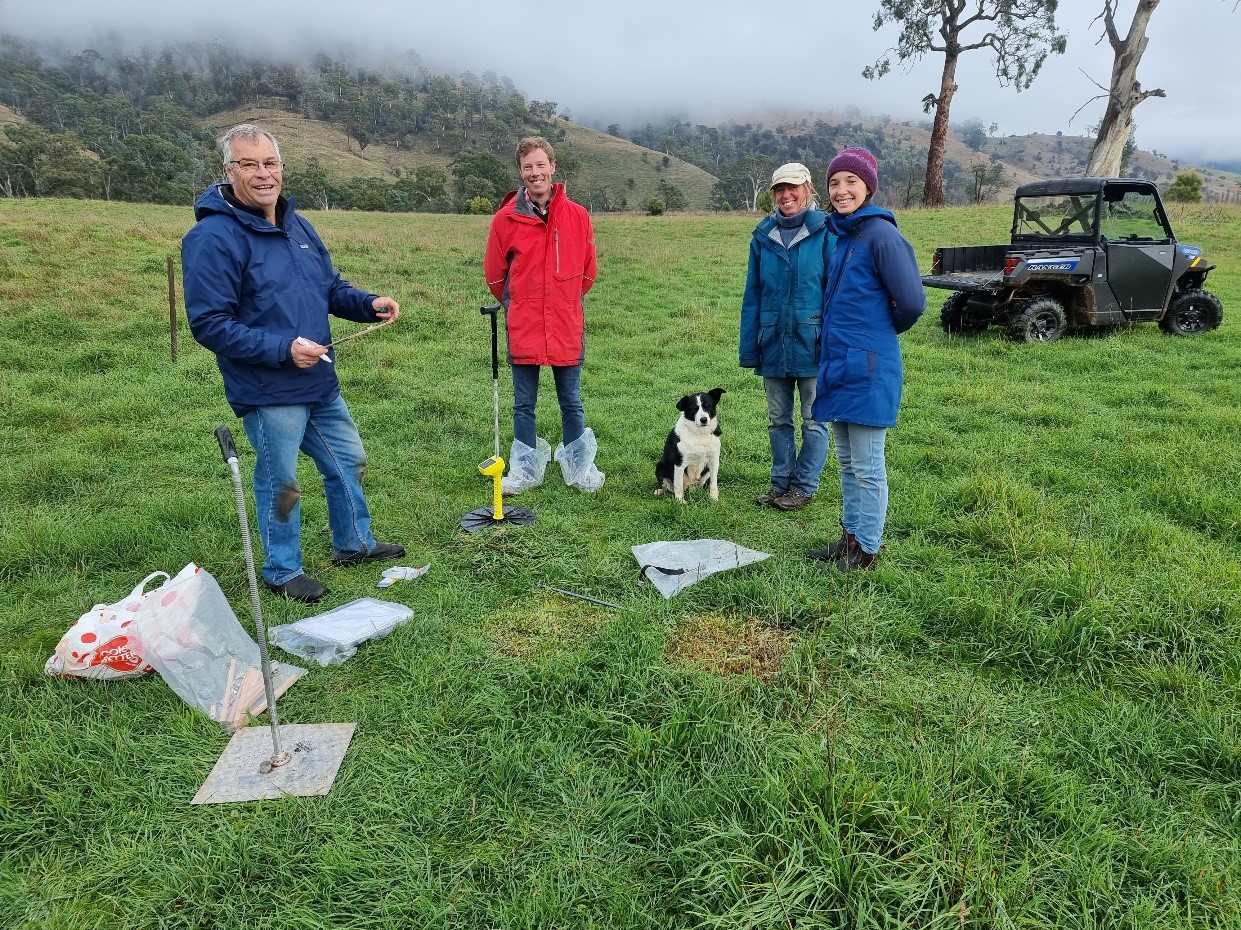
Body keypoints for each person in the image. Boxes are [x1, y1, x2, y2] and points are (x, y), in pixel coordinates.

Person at [182, 123, 405, 603]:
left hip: (319, 380)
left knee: (349, 461)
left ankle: (354, 543)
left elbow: (329, 287)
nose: (263, 174)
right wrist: (283, 349)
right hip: (268, 388)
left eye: (270, 163)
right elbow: (209, 324)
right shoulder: (211, 237)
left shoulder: (297, 224)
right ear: (229, 171)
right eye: (249, 164)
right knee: (281, 481)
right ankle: (283, 570)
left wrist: (367, 304)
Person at [807, 147, 925, 571]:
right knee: (847, 461)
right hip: (839, 362)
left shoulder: (881, 236)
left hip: (868, 364)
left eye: (850, 182)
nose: (841, 191)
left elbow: (912, 303)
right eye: (834, 183)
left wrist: (876, 332)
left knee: (868, 465)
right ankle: (851, 537)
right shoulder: (845, 236)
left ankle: (868, 550)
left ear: (869, 186)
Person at [483, 136, 604, 495]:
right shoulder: (505, 220)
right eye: (527, 167)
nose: (534, 173)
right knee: (524, 403)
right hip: (525, 323)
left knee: (571, 400)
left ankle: (580, 468)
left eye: (540, 165)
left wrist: (562, 300)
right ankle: (523, 471)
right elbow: (494, 275)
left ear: (552, 167)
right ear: (520, 172)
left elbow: (588, 272)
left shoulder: (578, 216)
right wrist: (522, 303)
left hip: (567, 322)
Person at [740, 162, 835, 511]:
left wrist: (830, 338)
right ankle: (780, 483)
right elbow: (753, 294)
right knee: (778, 420)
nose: (786, 195)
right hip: (772, 341)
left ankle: (804, 486)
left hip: (813, 341)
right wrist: (750, 348)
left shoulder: (826, 231)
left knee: (814, 420)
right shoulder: (763, 236)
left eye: (792, 187)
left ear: (808, 188)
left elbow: (833, 291)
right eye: (779, 189)